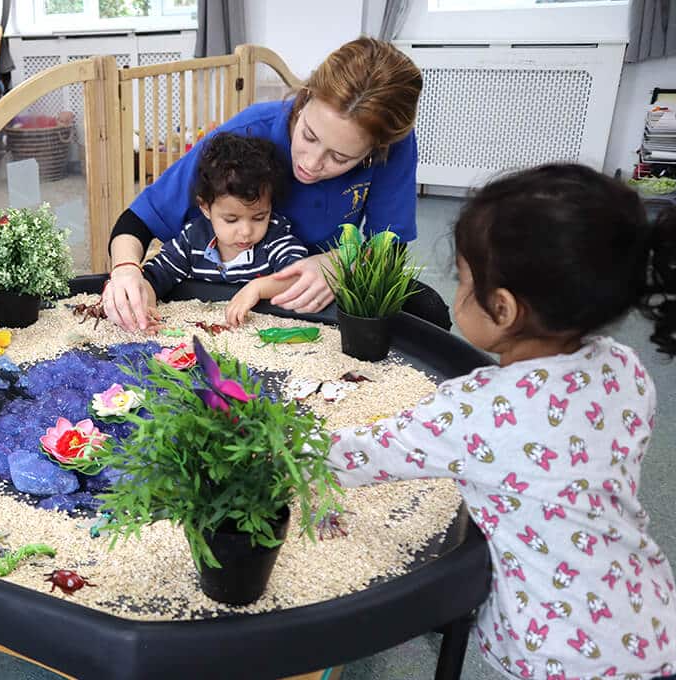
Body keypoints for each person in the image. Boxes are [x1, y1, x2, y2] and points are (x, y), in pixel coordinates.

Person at [327, 164, 676, 680]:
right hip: (651, 623)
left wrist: (269, 437)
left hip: (558, 656)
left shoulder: (479, 409)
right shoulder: (624, 369)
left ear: (504, 308)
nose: (457, 289)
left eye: (464, 280)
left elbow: (358, 454)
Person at [103, 36, 448, 332]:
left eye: (340, 159)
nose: (310, 164)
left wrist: (339, 265)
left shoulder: (394, 148)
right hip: (231, 287)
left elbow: (391, 246)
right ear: (305, 96)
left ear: (375, 151)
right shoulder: (247, 131)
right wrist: (126, 271)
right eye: (309, 135)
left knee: (426, 308)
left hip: (313, 287)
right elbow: (139, 221)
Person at [137, 132, 308, 327]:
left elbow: (298, 276)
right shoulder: (193, 239)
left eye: (259, 217)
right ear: (205, 208)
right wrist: (147, 305)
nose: (245, 231)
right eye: (231, 219)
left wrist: (258, 288)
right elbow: (154, 276)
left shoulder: (275, 237)